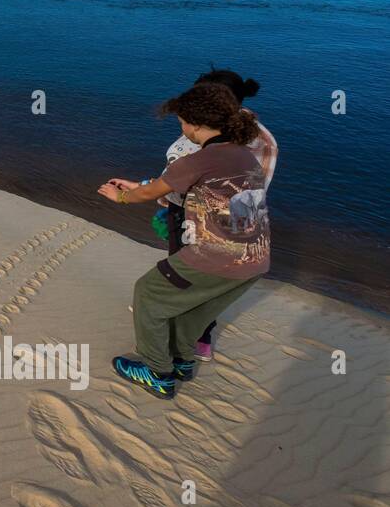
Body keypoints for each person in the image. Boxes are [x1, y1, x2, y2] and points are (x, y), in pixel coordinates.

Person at [99, 83, 271, 399]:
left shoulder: (197, 159)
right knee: (194, 311)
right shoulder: (244, 157)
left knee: (148, 292)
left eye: (181, 122)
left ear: (195, 124)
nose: (182, 129)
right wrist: (140, 185)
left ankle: (157, 372)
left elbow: (150, 194)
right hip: (256, 261)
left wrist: (121, 196)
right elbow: (183, 188)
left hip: (215, 256)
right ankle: (182, 363)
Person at [161, 69, 277, 360]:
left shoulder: (210, 135)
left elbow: (183, 179)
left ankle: (182, 340)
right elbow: (256, 185)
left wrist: (153, 195)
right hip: (242, 219)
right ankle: (201, 336)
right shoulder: (264, 138)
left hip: (194, 214)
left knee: (185, 271)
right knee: (209, 273)